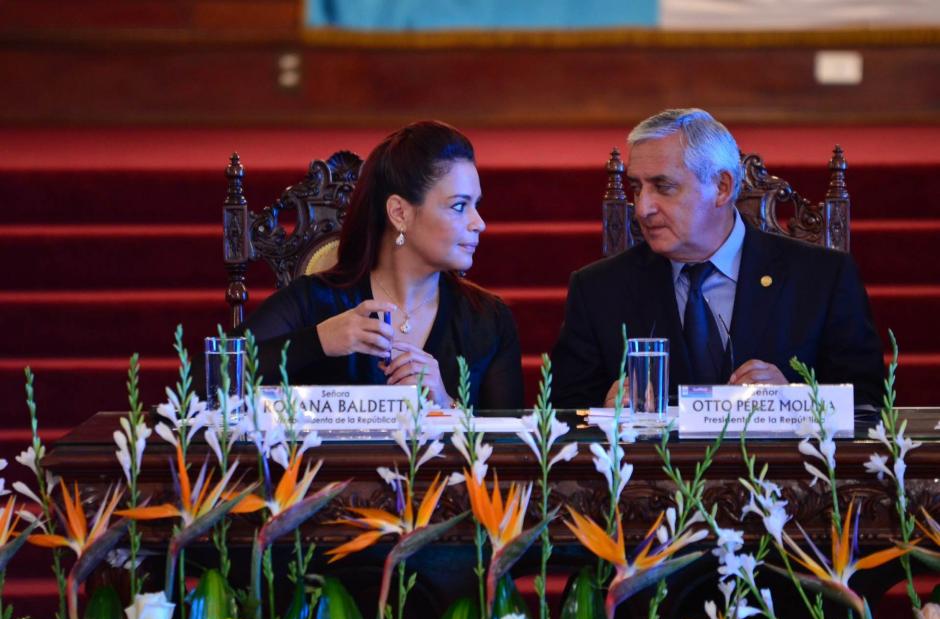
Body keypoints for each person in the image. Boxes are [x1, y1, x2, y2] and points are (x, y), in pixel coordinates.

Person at [551, 108, 883, 409]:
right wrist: (603, 410)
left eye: (663, 187)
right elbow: (564, 414)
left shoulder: (821, 278)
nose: (642, 208)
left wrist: (796, 400)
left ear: (722, 188)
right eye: (637, 188)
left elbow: (868, 403)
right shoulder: (598, 289)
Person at [237, 120, 524, 410]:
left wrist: (448, 405)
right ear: (399, 213)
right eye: (459, 206)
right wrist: (319, 341)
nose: (480, 223)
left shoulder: (488, 319)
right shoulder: (315, 300)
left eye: (476, 205)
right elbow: (204, 381)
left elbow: (517, 448)